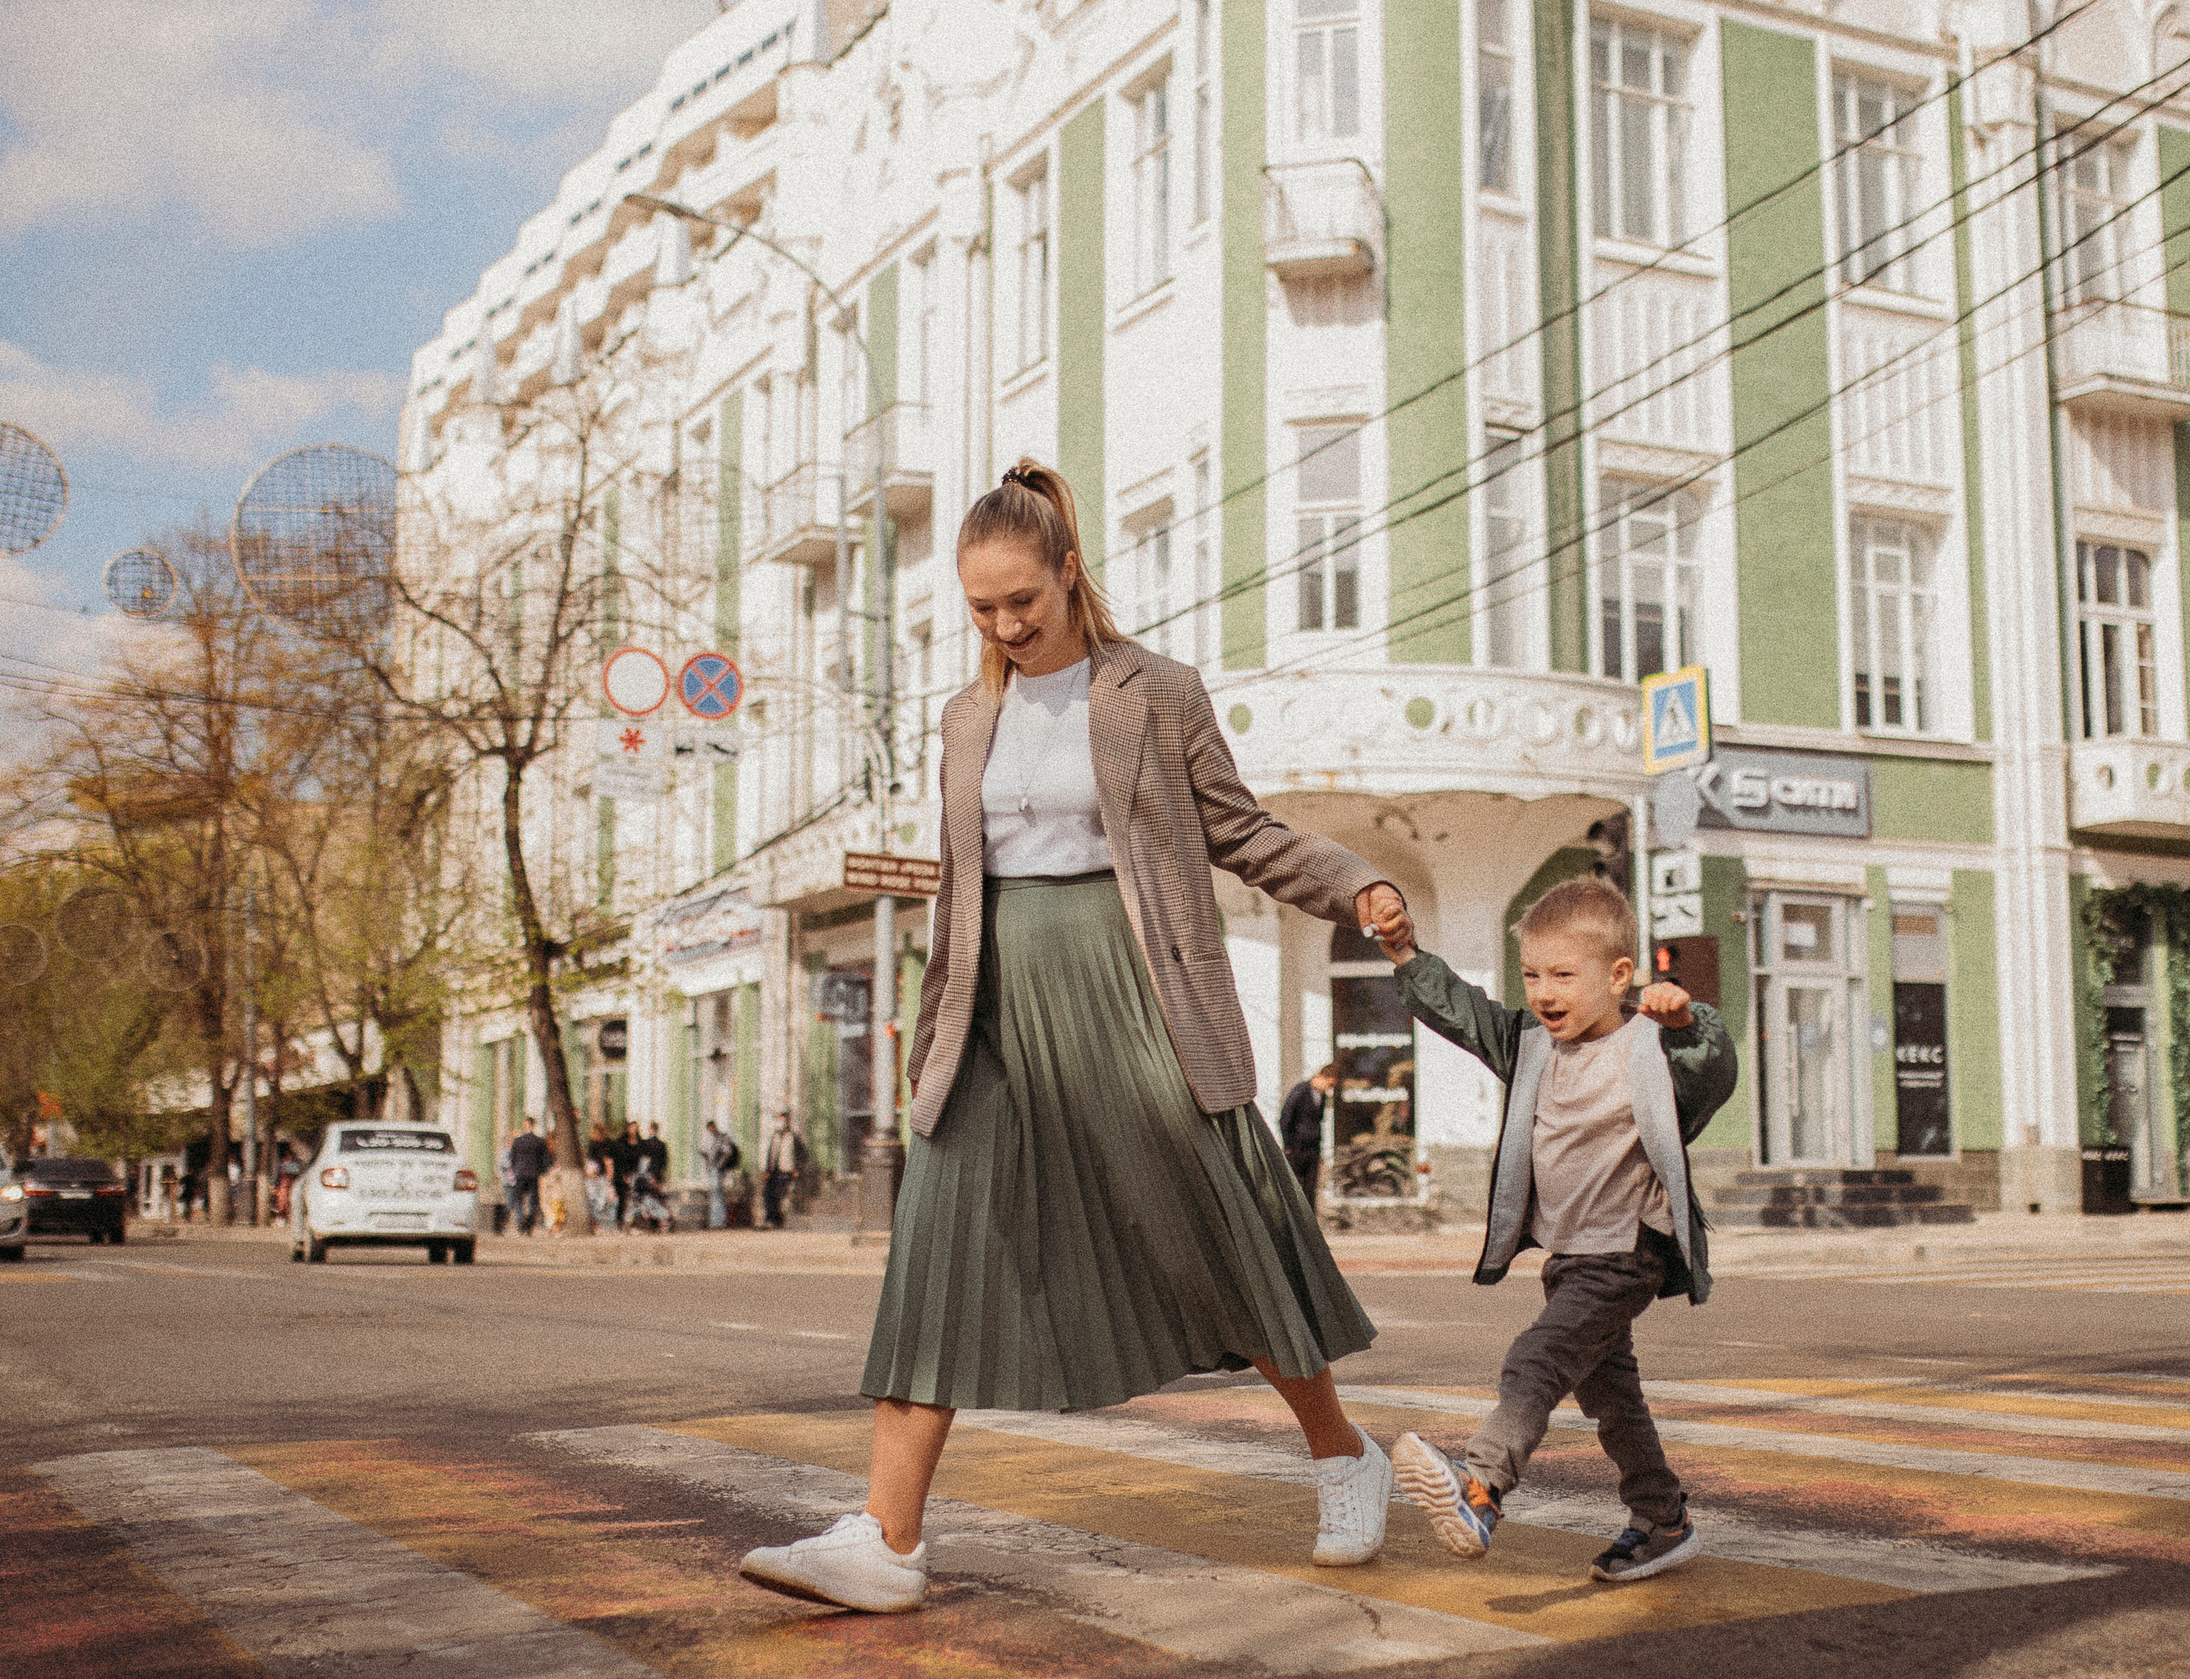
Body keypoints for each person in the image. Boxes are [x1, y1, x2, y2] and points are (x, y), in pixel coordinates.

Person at [739, 458, 1413, 1615]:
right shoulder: (964, 717)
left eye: (1024, 604)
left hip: (1132, 992)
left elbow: (1238, 831)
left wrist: (1355, 886)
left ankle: (1343, 1456)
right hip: (992, 1003)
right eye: (982, 610)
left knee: (1217, 1234)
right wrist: (933, 1027)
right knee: (935, 1253)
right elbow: (966, 881)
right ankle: (885, 1541)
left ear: (1067, 572)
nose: (1005, 627)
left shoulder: (1153, 691)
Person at [1374, 875, 1738, 1586]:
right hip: (1573, 1258)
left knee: (1534, 1360)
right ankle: (1662, 1517)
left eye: (1564, 975)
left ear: (1620, 976)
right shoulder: (1531, 1045)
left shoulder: (1651, 1047)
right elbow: (1461, 1011)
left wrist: (1688, 1021)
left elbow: (1712, 1070)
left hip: (1627, 1252)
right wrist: (1407, 953)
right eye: (1532, 973)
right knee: (1613, 1399)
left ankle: (1480, 1487)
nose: (1543, 991)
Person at [1277, 1064, 1336, 1206]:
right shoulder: (1300, 1092)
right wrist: (1289, 1145)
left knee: (1310, 1188)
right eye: (1330, 1084)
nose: (1330, 1089)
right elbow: (1286, 1118)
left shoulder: (1321, 1096)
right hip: (1297, 1147)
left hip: (1313, 1147)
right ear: (1322, 1077)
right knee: (1295, 1187)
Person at [761, 1111, 808, 1228]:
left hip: (787, 1171)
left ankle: (776, 1220)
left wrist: (798, 1169)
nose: (780, 1123)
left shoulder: (793, 1137)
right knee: (768, 1194)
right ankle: (770, 1220)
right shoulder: (775, 1136)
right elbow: (770, 1154)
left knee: (780, 1194)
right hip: (774, 1171)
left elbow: (802, 1154)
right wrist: (767, 1170)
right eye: (779, 1120)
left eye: (783, 1120)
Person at [506, 1117, 550, 1236]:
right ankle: (529, 1224)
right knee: (533, 1201)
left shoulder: (517, 1141)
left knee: (518, 1199)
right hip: (534, 1175)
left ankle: (520, 1221)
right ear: (533, 1125)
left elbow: (512, 1158)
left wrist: (515, 1170)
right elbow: (545, 1159)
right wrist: (542, 1171)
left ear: (525, 1125)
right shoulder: (539, 1141)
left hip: (520, 1174)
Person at [700, 1119, 739, 1230]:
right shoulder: (709, 1138)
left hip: (718, 1171)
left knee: (717, 1194)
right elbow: (706, 1152)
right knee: (714, 1195)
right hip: (711, 1169)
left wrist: (719, 1165)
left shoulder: (722, 1138)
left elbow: (728, 1152)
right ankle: (714, 1221)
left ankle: (720, 1221)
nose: (710, 1130)